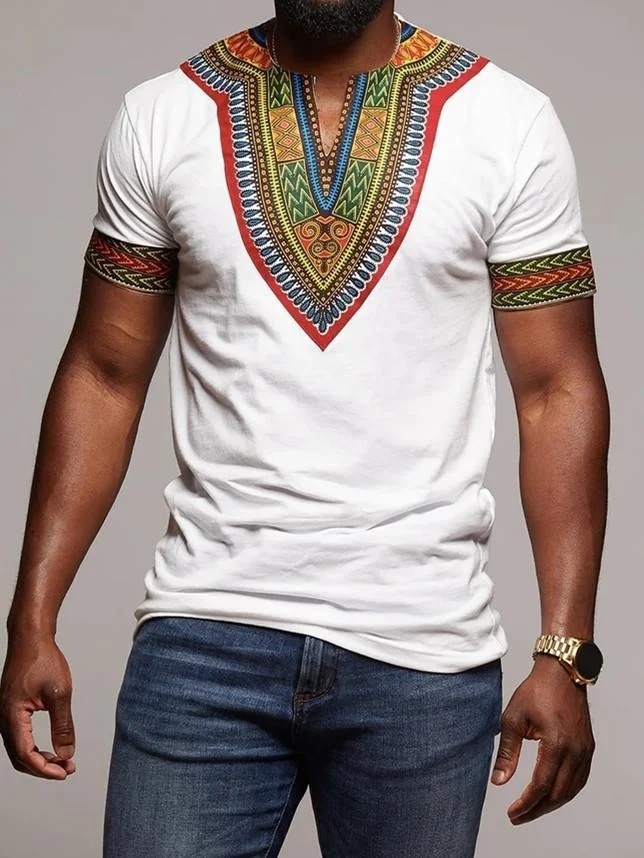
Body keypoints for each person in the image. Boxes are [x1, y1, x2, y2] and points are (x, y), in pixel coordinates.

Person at [0, 1, 609, 856]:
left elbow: (557, 389)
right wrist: (31, 618)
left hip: (424, 653)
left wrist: (566, 651)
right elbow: (103, 375)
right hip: (205, 636)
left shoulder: (507, 121)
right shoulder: (162, 116)